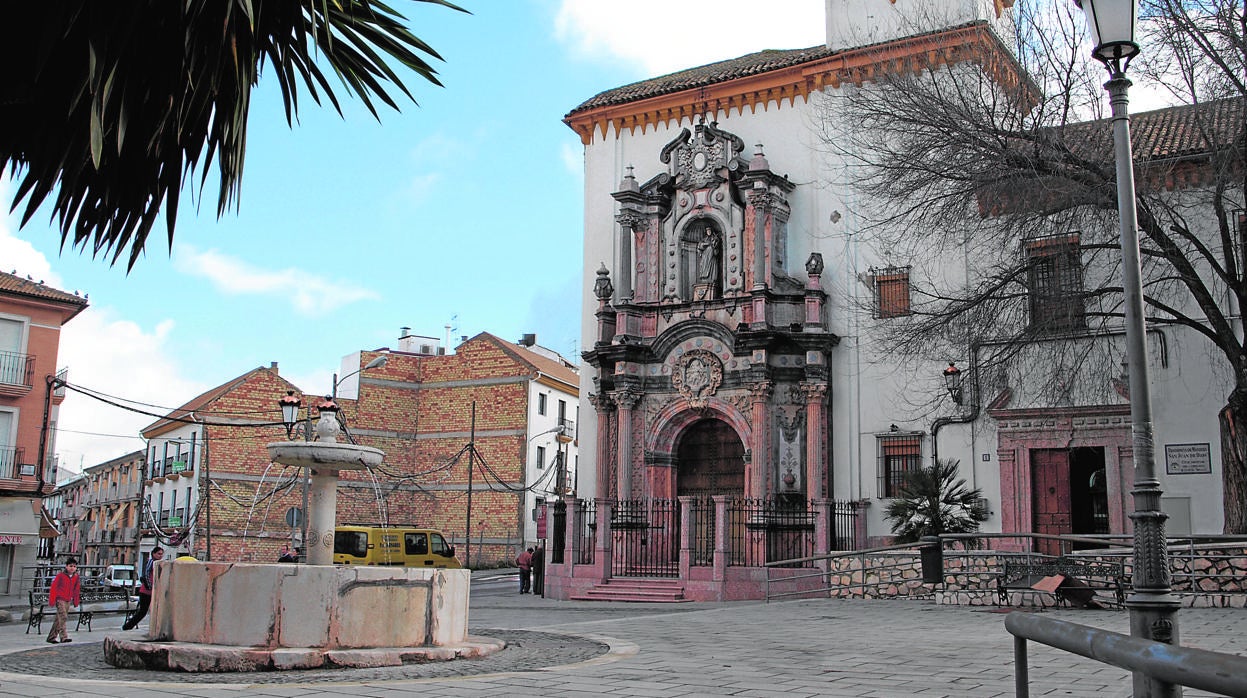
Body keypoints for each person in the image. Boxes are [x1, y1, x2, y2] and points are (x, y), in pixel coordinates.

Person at [122, 546, 163, 631]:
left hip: (151, 591)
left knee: (149, 611)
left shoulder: (157, 564)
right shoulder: (151, 562)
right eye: (159, 554)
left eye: (161, 554)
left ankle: (129, 626)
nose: (160, 556)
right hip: (146, 591)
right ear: (153, 554)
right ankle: (127, 626)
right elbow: (147, 574)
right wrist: (150, 586)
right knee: (142, 611)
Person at [45, 557, 81, 644]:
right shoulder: (60, 576)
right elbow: (54, 587)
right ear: (66, 566)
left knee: (59, 619)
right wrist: (52, 600)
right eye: (70, 566)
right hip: (60, 599)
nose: (72, 568)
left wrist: (76, 600)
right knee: (63, 616)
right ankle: (64, 637)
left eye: (74, 566)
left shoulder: (76, 577)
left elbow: (76, 589)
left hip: (68, 600)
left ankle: (51, 637)